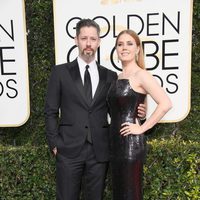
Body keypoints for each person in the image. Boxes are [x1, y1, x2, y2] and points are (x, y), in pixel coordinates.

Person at [45, 19, 146, 200]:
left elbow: (116, 109)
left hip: (99, 151)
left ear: (99, 42)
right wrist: (54, 143)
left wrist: (140, 115)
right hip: (68, 149)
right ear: (76, 40)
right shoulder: (60, 72)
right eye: (84, 38)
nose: (89, 43)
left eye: (93, 38)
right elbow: (50, 111)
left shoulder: (110, 75)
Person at [107, 29, 172, 200]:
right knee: (119, 193)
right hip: (114, 143)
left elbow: (166, 104)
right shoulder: (119, 76)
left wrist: (141, 128)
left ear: (137, 49)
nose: (124, 48)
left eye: (129, 43)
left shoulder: (141, 75)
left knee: (130, 193)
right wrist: (141, 111)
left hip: (130, 144)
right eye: (120, 44)